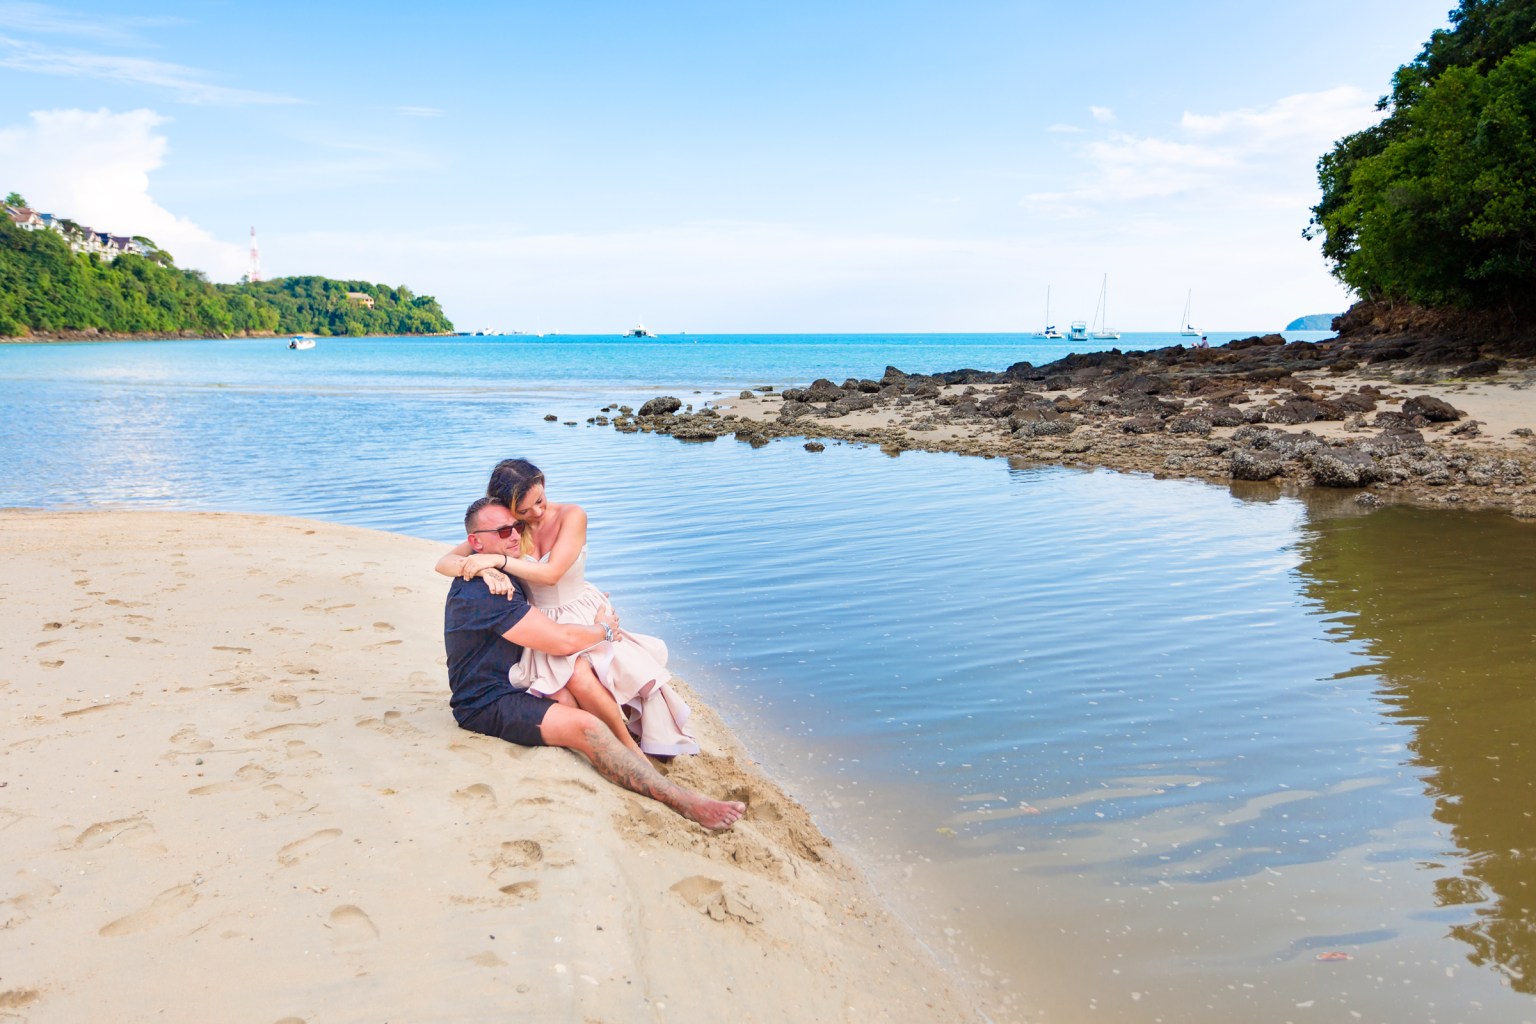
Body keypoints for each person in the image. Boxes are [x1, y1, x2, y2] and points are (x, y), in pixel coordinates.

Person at [445, 496, 744, 830]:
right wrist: (604, 630)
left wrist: (490, 564)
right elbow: (561, 640)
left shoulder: (499, 567)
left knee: (574, 685)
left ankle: (631, 748)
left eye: (518, 526)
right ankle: (682, 801)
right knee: (588, 727)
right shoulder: (484, 593)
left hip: (518, 679)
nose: (515, 536)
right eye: (503, 531)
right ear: (476, 542)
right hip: (487, 702)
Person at [436, 459, 698, 758]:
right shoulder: (509, 528)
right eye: (523, 511)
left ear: (544, 486)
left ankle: (635, 741)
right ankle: (622, 744)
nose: (535, 513)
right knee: (572, 679)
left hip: (578, 608)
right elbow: (443, 562)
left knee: (594, 672)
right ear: (508, 508)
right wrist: (483, 570)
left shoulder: (571, 515)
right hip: (539, 619)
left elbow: (552, 574)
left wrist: (497, 562)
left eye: (540, 501)